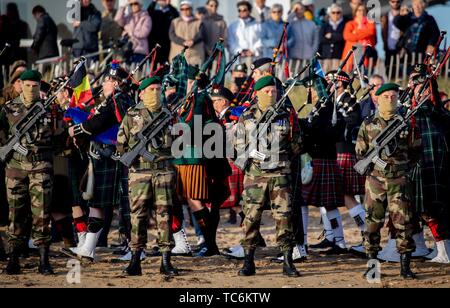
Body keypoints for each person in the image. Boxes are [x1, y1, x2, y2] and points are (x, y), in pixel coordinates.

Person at [64, 62, 134, 261]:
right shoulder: (111, 100)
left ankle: (134, 248)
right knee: (97, 203)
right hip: (102, 158)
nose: (104, 83)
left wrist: (75, 129)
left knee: (125, 206)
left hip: (113, 158)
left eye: (108, 80)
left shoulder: (119, 101)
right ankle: (88, 248)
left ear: (116, 83)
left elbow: (98, 124)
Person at [235, 76, 301, 277]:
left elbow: (296, 144)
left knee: (284, 218)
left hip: (280, 174)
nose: (271, 94)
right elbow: (239, 147)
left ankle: (288, 261)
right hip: (255, 177)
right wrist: (261, 155)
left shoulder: (287, 114)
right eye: (267, 92)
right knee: (251, 217)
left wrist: (279, 157)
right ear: (257, 93)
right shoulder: (247, 117)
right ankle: (248, 261)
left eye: (274, 91)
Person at [356, 83, 421, 279]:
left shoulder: (407, 122)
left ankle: (405, 267)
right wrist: (376, 159)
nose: (391, 99)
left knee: (403, 223)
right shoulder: (368, 123)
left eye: (394, 96)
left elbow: (415, 150)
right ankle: (372, 267)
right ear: (378, 98)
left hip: (399, 180)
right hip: (375, 181)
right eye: (386, 96)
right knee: (372, 224)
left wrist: (401, 166)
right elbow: (360, 151)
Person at [116, 76, 178, 276]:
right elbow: (121, 142)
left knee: (165, 214)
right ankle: (135, 259)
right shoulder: (132, 114)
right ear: (141, 93)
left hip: (163, 170)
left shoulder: (169, 114)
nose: (155, 92)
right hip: (139, 171)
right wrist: (134, 152)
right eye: (151, 89)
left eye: (158, 89)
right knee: (138, 215)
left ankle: (166, 260)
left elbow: (180, 142)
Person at [0, 70, 58, 275]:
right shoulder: (8, 109)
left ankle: (44, 260)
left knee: (42, 215)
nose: (31, 89)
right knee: (15, 214)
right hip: (15, 169)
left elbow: (58, 137)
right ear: (20, 84)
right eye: (28, 85)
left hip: (40, 168)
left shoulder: (48, 108)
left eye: (35, 86)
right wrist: (7, 150)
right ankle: (13, 258)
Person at [408, 64, 450, 263]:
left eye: (415, 81)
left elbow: (432, 109)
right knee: (427, 207)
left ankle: (443, 251)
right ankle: (438, 249)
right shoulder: (415, 105)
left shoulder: (430, 106)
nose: (410, 84)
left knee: (434, 205)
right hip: (421, 161)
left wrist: (429, 83)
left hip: (433, 161)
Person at [169, 1, 205, 67]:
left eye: (187, 9)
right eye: (182, 9)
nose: (185, 11)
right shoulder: (175, 22)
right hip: (178, 56)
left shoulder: (199, 22)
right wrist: (183, 42)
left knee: (193, 77)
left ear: (191, 9)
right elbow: (172, 35)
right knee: (178, 77)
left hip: (195, 56)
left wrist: (193, 41)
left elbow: (201, 35)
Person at [342, 4, 377, 72]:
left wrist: (356, 32)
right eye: (359, 10)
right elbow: (346, 36)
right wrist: (364, 33)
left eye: (363, 10)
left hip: (366, 55)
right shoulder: (350, 24)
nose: (361, 12)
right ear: (355, 12)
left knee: (364, 76)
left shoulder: (370, 22)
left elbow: (371, 31)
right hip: (351, 55)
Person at [228, 1, 263, 69]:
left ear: (249, 11)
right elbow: (230, 41)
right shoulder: (233, 25)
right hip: (237, 58)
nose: (242, 12)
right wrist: (239, 51)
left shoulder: (257, 25)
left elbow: (261, 40)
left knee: (251, 78)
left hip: (253, 58)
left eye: (244, 10)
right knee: (238, 78)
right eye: (239, 10)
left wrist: (253, 51)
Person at [287, 3, 319, 76]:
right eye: (296, 9)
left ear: (304, 10)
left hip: (308, 57)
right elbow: (284, 35)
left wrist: (312, 52)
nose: (299, 11)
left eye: (301, 9)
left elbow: (316, 40)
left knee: (306, 79)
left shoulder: (311, 24)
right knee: (294, 79)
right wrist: (291, 15)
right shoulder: (290, 24)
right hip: (293, 57)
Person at [147, 0, 180, 66]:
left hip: (166, 43)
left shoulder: (171, 12)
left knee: (164, 66)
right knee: (153, 64)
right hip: (154, 43)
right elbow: (148, 12)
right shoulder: (155, 12)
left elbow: (176, 16)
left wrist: (169, 4)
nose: (163, 1)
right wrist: (154, 2)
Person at [319, 3, 346, 73]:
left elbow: (344, 37)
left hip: (339, 57)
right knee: (325, 78)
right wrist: (337, 37)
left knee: (336, 77)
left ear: (341, 13)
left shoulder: (345, 24)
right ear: (330, 14)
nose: (335, 14)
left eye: (338, 12)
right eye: (333, 12)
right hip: (325, 57)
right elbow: (321, 39)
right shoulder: (325, 25)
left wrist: (332, 36)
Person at [381, 0, 403, 71]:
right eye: (393, 1)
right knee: (389, 72)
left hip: (402, 50)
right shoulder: (385, 17)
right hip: (389, 50)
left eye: (397, 1)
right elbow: (383, 33)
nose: (395, 3)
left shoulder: (405, 15)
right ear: (389, 2)